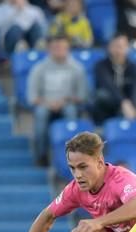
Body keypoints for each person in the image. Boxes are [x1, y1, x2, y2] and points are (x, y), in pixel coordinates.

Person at [27, 34, 87, 165]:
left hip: (68, 104)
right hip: (45, 104)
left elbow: (82, 96)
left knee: (70, 112)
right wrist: (48, 103)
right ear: (49, 49)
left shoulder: (77, 69)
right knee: (41, 113)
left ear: (68, 48)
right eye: (56, 48)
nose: (59, 51)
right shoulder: (38, 69)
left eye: (62, 47)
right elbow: (32, 97)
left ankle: (73, 155)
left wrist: (65, 100)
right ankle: (41, 155)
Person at [90, 33, 136, 125]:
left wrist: (133, 106)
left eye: (122, 46)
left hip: (127, 107)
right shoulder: (101, 66)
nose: (119, 50)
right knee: (101, 95)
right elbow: (108, 86)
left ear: (128, 48)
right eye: (116, 46)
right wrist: (123, 103)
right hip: (107, 106)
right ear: (109, 48)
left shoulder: (133, 67)